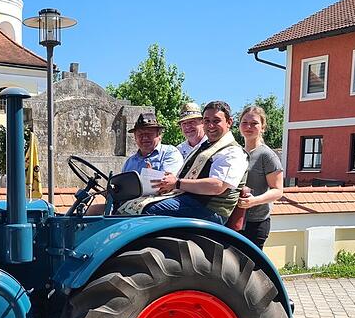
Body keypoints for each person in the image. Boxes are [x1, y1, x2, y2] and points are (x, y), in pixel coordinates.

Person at [120, 101, 248, 225]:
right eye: (207, 121)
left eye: (216, 121)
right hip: (191, 201)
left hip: (210, 211)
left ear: (229, 122)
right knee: (131, 203)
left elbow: (217, 186)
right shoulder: (204, 147)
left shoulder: (233, 151)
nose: (210, 126)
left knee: (146, 210)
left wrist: (177, 183)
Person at [236, 105, 284, 249]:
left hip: (256, 223)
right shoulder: (237, 152)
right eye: (244, 122)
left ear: (263, 127)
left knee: (251, 268)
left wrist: (254, 201)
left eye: (254, 123)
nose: (248, 126)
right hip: (236, 219)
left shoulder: (267, 155)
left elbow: (278, 190)